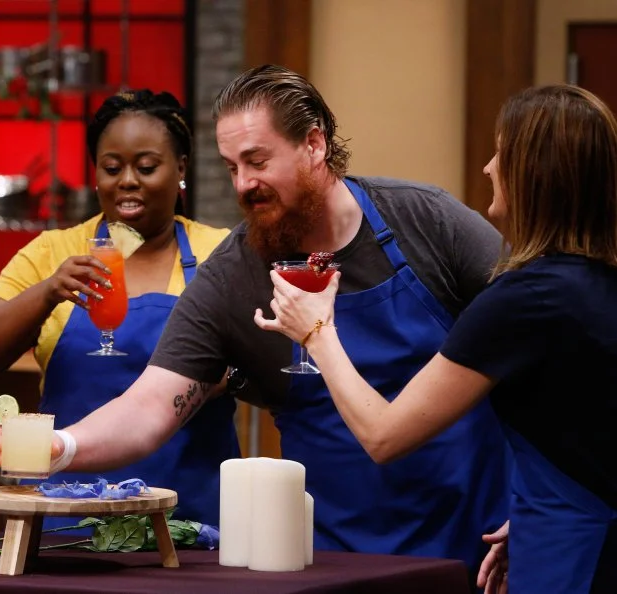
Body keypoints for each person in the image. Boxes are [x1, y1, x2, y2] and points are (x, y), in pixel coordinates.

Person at [0, 65, 510, 580]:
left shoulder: (426, 221)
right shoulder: (234, 273)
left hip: (475, 543)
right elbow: (149, 405)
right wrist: (62, 447)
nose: (244, 184)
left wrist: (534, 499)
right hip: (333, 559)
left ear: (314, 144)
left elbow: (539, 340)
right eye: (232, 167)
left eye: (257, 161)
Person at [257, 84, 617, 593]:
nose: (489, 168)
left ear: (533, 175)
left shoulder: (524, 298)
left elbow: (384, 437)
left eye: (501, 153)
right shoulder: (598, 282)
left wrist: (316, 331)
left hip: (572, 559)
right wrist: (533, 513)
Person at [0, 89, 240, 529]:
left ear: (181, 169)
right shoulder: (53, 251)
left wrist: (226, 372)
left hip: (190, 521)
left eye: (146, 167)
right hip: (65, 519)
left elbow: (262, 362)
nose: (128, 181)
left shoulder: (221, 252)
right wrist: (47, 293)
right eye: (112, 168)